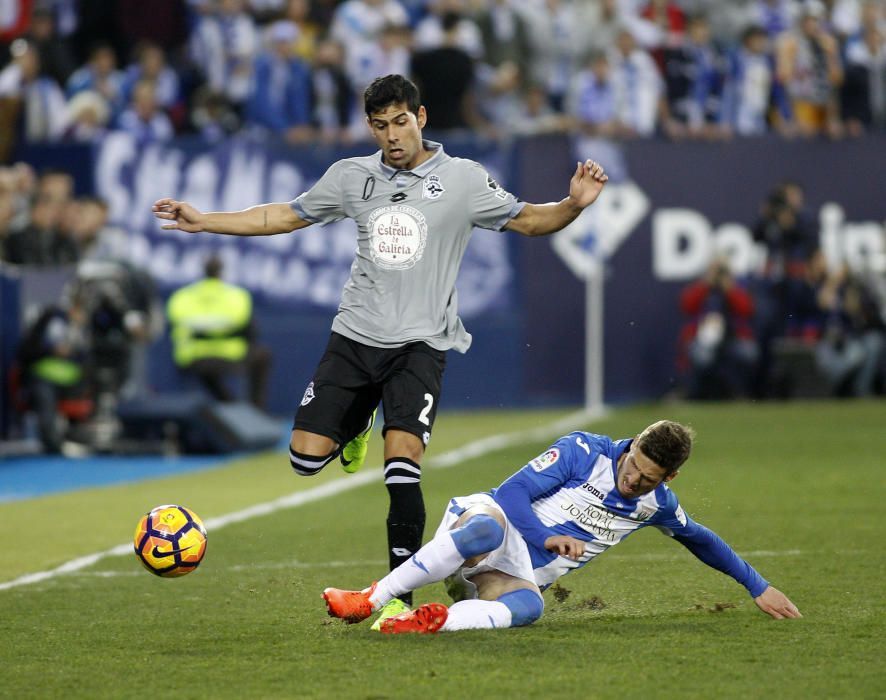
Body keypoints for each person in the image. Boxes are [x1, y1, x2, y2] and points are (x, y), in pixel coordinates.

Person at [152, 73, 609, 627]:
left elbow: (530, 221)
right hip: (355, 337)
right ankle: (359, 421)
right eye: (379, 125)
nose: (391, 136)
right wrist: (206, 222)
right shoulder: (351, 177)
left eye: (399, 122)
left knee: (403, 470)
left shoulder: (462, 180)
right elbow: (283, 215)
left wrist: (573, 204)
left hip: (420, 344)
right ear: (369, 127)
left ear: (420, 119)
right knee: (303, 459)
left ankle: (398, 596)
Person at [322, 420, 802, 634]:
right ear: (632, 445)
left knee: (530, 608)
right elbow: (510, 493)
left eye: (647, 478)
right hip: (488, 526)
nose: (633, 479)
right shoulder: (584, 451)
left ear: (668, 478)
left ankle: (428, 623)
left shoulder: (656, 505)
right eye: (633, 464)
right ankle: (371, 599)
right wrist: (546, 537)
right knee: (487, 530)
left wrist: (756, 585)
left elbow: (702, 540)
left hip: (505, 575)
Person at [166, 255, 272, 410]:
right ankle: (255, 411)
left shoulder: (181, 297)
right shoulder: (237, 296)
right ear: (221, 272)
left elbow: (175, 325)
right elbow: (248, 329)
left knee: (208, 373)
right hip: (229, 356)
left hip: (193, 357)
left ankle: (230, 405)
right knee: (262, 356)